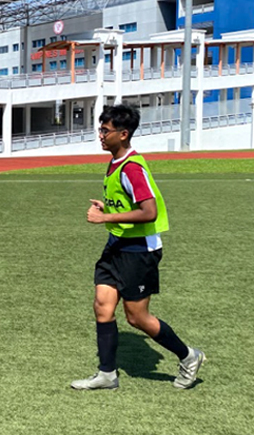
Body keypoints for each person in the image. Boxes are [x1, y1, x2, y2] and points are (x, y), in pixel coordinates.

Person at [71, 104, 204, 390]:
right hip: (117, 246)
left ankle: (189, 356)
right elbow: (128, 205)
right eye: (100, 129)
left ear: (123, 134)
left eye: (105, 131)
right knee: (102, 306)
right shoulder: (115, 162)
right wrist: (109, 207)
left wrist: (105, 217)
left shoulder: (132, 167)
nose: (100, 135)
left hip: (139, 251)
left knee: (136, 317)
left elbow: (149, 212)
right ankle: (107, 374)